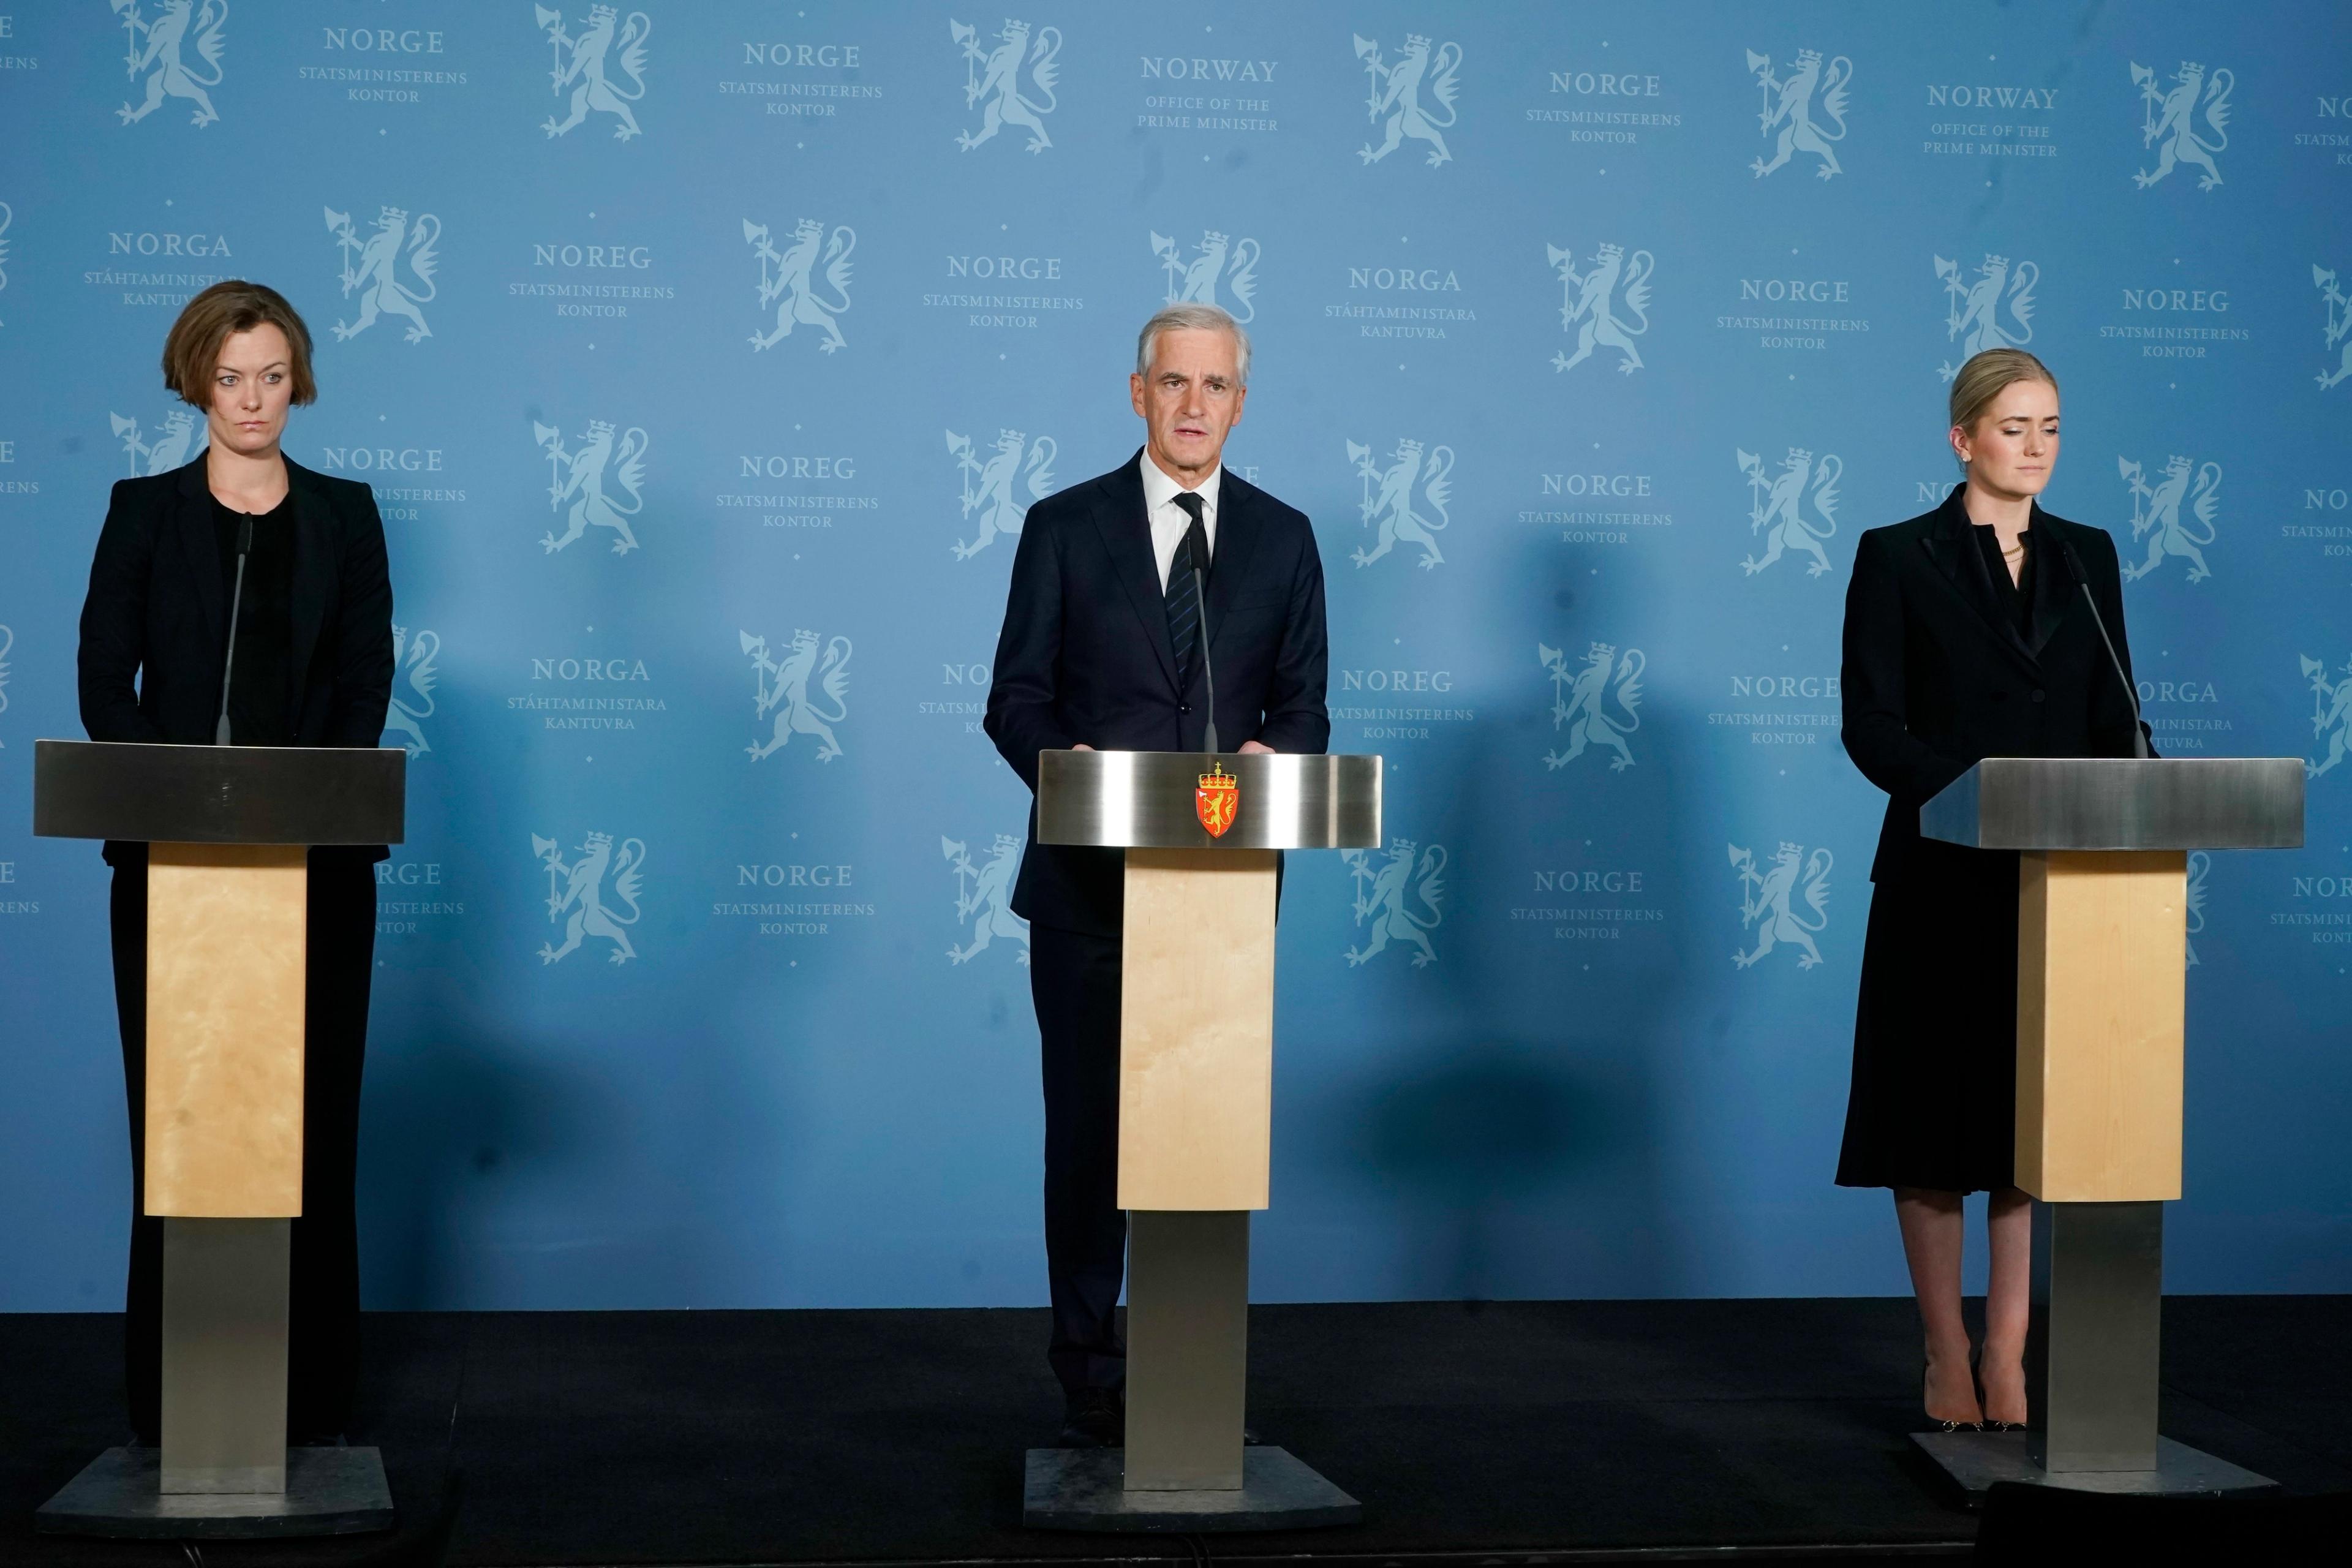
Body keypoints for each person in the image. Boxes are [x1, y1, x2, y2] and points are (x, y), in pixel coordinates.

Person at [984, 303, 1330, 1447]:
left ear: (1242, 401)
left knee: (1202, 1134)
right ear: (1138, 394)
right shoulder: (1065, 527)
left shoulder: (1285, 539)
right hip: (1088, 896)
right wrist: (1072, 766)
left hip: (1224, 900)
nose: (1194, 407)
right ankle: (1086, 1369)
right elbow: (1015, 698)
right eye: (1173, 384)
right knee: (1086, 1140)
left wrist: (1277, 758)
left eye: (1215, 387)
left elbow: (1304, 709)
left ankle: (1190, 1365)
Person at [77, 279, 395, 1442]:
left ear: (295, 380)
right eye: (230, 377)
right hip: (169, 874)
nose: (253, 399)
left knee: (314, 1127)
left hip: (316, 872)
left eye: (271, 376)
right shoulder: (142, 511)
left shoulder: (348, 514)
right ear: (194, 382)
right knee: (180, 1127)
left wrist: (301, 801)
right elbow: (105, 680)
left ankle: (311, 1405)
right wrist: (176, 798)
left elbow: (365, 682)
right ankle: (173, 1404)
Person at [1837, 349, 2154, 1433]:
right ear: (1963, 437)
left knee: (2027, 1127)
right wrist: (1970, 794)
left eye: (2053, 428)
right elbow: (1871, 724)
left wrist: (2136, 795)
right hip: (1938, 873)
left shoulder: (2089, 558)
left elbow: (2116, 718)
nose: (2037, 449)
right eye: (2015, 428)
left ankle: (2010, 1354)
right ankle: (1944, 1352)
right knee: (1931, 1126)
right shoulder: (1898, 556)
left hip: (2057, 885)